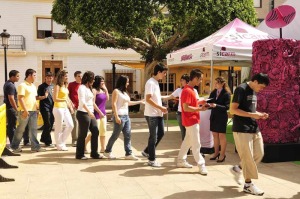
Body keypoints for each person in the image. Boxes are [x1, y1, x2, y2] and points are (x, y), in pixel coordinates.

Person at [230, 73, 270, 196]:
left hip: (254, 127)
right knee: (248, 157)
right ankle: (248, 185)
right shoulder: (241, 89)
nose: (262, 89)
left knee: (259, 154)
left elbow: (250, 110)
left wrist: (259, 114)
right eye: (262, 87)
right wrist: (253, 115)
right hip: (242, 129)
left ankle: (238, 168)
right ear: (255, 81)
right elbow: (233, 110)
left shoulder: (254, 91)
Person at [176, 69, 208, 175]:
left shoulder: (190, 90)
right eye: (200, 79)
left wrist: (200, 102)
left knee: (188, 142)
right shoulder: (187, 90)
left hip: (191, 120)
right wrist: (200, 109)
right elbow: (186, 108)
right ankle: (201, 164)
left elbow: (190, 103)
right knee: (196, 144)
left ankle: (181, 160)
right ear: (195, 78)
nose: (201, 82)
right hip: (191, 120)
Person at [104, 75, 143, 160]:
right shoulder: (116, 91)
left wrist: (140, 102)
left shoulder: (125, 93)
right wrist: (116, 116)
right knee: (115, 135)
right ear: (123, 82)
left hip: (126, 116)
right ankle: (107, 151)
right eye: (127, 82)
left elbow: (128, 103)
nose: (128, 83)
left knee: (128, 135)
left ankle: (128, 153)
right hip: (120, 116)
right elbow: (113, 104)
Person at [10, 69, 46, 152]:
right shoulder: (22, 85)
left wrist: (37, 109)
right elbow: (20, 98)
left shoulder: (33, 86)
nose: (35, 77)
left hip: (33, 111)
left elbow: (34, 99)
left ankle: (35, 147)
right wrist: (25, 111)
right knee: (20, 129)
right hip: (24, 111)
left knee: (33, 129)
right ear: (29, 75)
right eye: (34, 75)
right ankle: (14, 147)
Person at [142, 63, 168, 167]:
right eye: (164, 73)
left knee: (161, 133)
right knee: (153, 137)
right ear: (158, 72)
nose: (165, 75)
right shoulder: (151, 83)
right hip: (152, 114)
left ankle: (147, 151)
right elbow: (148, 99)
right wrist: (160, 107)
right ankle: (151, 160)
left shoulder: (155, 82)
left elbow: (155, 97)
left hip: (158, 113)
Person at [76, 71, 103, 160]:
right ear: (88, 79)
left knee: (95, 131)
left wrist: (99, 112)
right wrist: (89, 112)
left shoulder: (90, 88)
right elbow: (82, 102)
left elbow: (92, 102)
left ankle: (94, 153)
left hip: (90, 113)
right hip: (83, 113)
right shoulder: (82, 88)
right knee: (83, 134)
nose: (94, 80)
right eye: (93, 78)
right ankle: (79, 154)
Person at [208, 77, 231, 163]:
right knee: (214, 135)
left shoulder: (226, 94)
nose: (215, 84)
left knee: (221, 136)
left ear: (222, 83)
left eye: (216, 83)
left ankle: (222, 154)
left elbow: (227, 107)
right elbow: (210, 101)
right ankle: (216, 153)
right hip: (214, 116)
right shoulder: (214, 92)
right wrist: (206, 104)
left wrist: (216, 105)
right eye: (215, 83)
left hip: (221, 117)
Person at [85, 76, 109, 153]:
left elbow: (107, 99)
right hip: (96, 114)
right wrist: (99, 112)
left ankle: (103, 148)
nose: (103, 82)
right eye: (102, 81)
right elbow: (93, 103)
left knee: (103, 131)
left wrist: (106, 89)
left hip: (103, 114)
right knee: (95, 132)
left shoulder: (102, 90)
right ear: (98, 81)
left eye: (103, 81)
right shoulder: (94, 90)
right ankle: (84, 144)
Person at [53, 70, 74, 151]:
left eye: (67, 76)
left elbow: (67, 97)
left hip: (65, 108)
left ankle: (61, 141)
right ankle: (59, 145)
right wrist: (64, 100)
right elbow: (55, 99)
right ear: (61, 77)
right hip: (58, 108)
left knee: (71, 125)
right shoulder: (57, 86)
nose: (67, 77)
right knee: (59, 127)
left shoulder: (65, 85)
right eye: (65, 76)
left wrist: (71, 106)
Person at [38, 71, 55, 147]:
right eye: (48, 77)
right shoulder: (41, 86)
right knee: (48, 123)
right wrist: (44, 96)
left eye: (50, 77)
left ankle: (43, 138)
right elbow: (37, 97)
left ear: (53, 78)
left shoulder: (53, 86)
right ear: (45, 78)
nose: (49, 79)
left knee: (50, 123)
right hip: (44, 107)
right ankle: (48, 141)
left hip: (52, 107)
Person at [3, 70, 20, 144]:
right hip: (11, 108)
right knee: (12, 126)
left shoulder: (8, 83)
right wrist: (16, 109)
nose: (19, 78)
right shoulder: (10, 85)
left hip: (9, 108)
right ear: (12, 77)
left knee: (11, 126)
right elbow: (11, 98)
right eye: (17, 76)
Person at [68, 71, 82, 147]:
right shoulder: (71, 85)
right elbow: (68, 95)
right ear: (75, 77)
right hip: (74, 107)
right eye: (79, 76)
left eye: (81, 76)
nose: (80, 77)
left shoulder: (84, 85)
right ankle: (74, 139)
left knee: (81, 124)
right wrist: (70, 105)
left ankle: (80, 139)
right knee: (75, 123)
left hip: (83, 107)